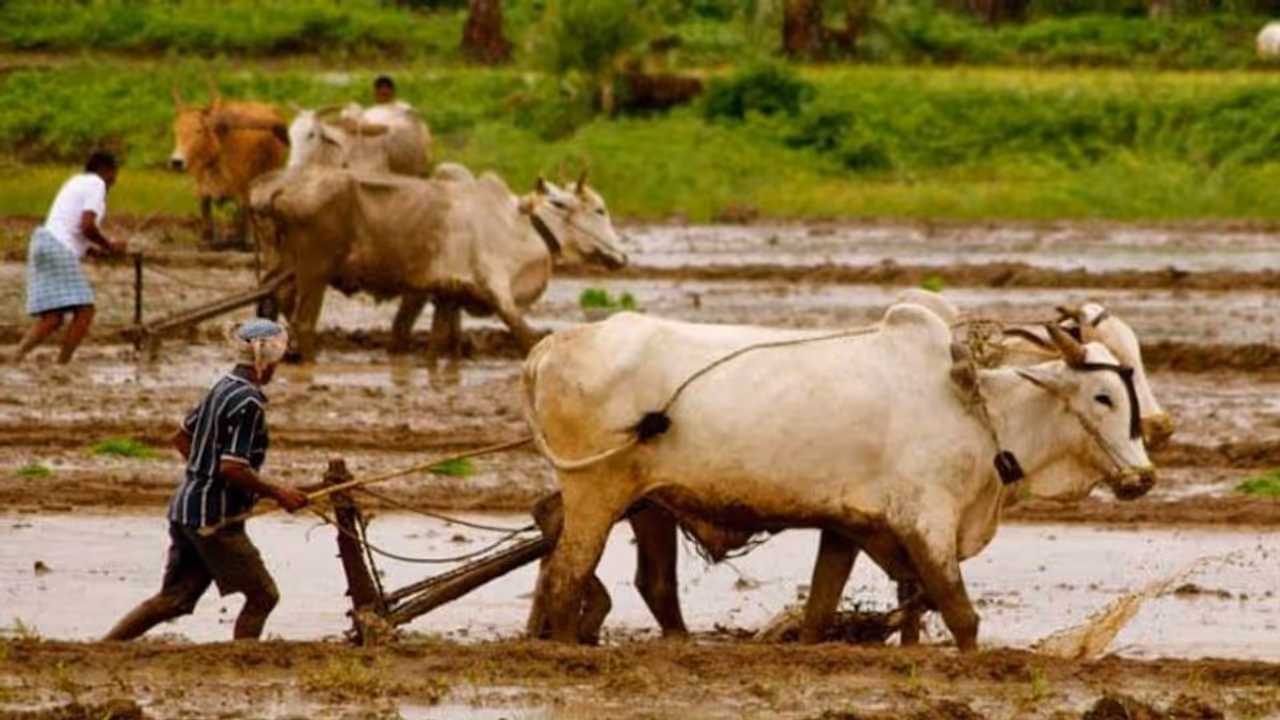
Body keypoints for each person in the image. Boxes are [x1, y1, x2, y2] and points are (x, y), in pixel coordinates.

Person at [104, 319, 310, 642]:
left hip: (187, 508)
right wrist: (277, 492)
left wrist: (206, 475)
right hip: (214, 520)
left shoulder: (223, 386)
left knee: (175, 598)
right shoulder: (249, 402)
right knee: (263, 596)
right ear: (269, 360)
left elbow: (182, 437)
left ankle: (104, 649)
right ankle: (244, 663)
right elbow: (232, 468)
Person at [14, 151, 126, 364]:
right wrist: (110, 246)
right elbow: (87, 226)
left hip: (43, 242)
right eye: (114, 173)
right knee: (85, 310)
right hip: (58, 247)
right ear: (105, 170)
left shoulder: (76, 182)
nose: (114, 180)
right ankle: (63, 363)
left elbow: (73, 230)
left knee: (53, 316)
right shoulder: (96, 183)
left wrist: (99, 251)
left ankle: (15, 357)